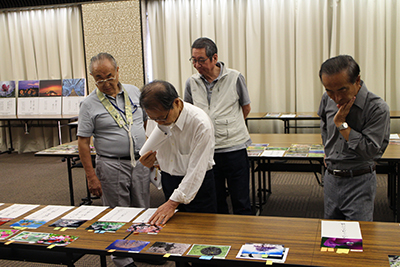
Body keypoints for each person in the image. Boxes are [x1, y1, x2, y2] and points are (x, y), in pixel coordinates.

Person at [77, 53, 150, 267]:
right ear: (92, 77)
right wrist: (91, 176)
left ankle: (138, 248)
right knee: (118, 212)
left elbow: (143, 123)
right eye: (99, 78)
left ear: (118, 71)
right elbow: (83, 143)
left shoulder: (134, 92)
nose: (105, 83)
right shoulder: (89, 104)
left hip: (139, 161)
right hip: (111, 163)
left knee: (142, 207)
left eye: (109, 76)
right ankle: (122, 259)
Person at [184, 37, 253, 215]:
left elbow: (246, 108)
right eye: (194, 60)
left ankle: (245, 235)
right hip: (207, 150)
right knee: (215, 199)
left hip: (234, 149)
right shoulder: (191, 82)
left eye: (201, 60)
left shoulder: (234, 77)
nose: (197, 65)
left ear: (214, 58)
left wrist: (230, 127)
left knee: (241, 199)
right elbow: (189, 112)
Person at [317, 55, 390, 221]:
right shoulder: (327, 100)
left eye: (342, 90)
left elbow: (371, 151)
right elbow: (324, 124)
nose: (336, 98)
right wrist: (327, 151)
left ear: (357, 80)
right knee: (332, 237)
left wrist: (342, 124)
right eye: (329, 91)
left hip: (359, 180)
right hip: (331, 178)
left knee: (358, 238)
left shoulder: (377, 108)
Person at [139, 80, 217, 226]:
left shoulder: (200, 123)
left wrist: (172, 203)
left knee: (202, 230)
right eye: (154, 119)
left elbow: (196, 170)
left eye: (163, 118)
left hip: (198, 185)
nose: (159, 123)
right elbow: (159, 154)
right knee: (174, 232)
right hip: (170, 181)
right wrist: (152, 163)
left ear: (177, 103)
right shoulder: (156, 117)